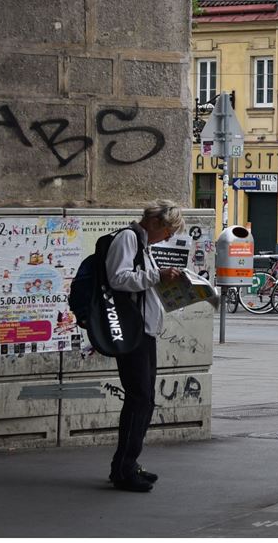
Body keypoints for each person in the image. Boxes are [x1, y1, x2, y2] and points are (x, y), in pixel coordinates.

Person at [106, 200, 185, 493]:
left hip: (144, 331)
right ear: (153, 222)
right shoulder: (128, 238)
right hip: (133, 332)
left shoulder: (142, 244)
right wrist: (157, 275)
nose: (168, 236)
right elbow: (119, 278)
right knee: (139, 399)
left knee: (144, 399)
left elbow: (139, 280)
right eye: (167, 230)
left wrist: (163, 279)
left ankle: (127, 464)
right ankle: (124, 469)